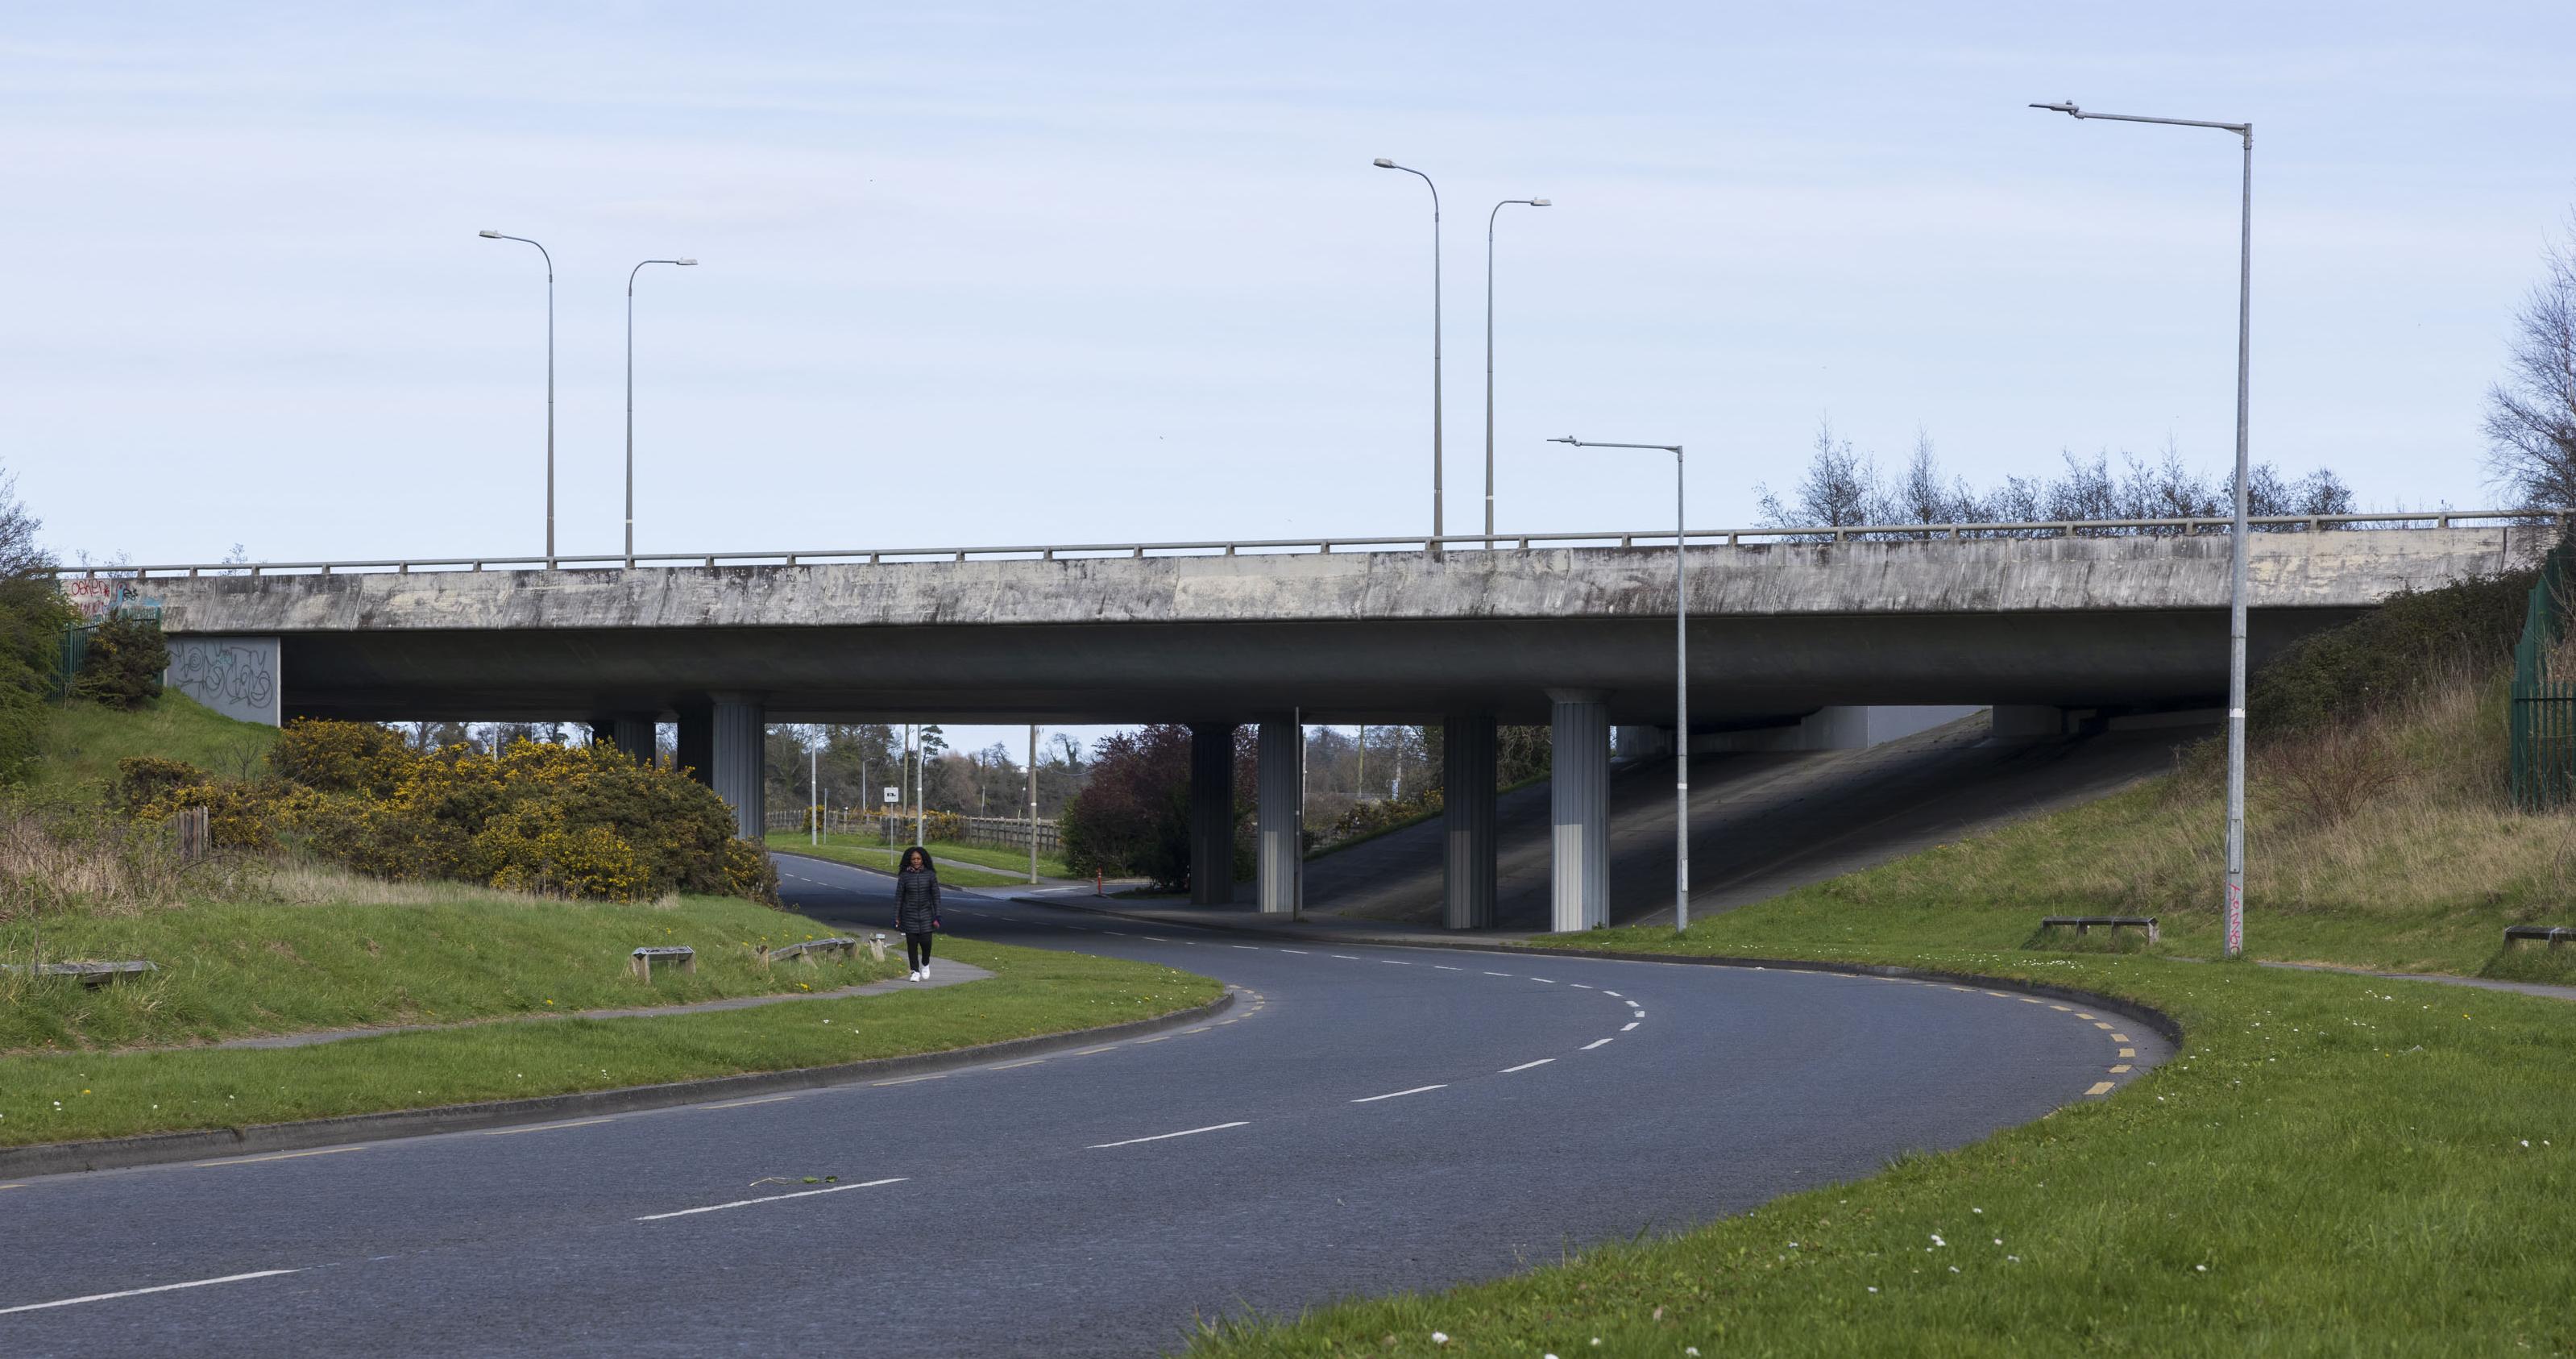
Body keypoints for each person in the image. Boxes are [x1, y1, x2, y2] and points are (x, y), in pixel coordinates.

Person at [894, 845, 941, 982]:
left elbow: (936, 896)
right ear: (909, 860)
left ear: (923, 860)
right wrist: (896, 916)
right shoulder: (904, 877)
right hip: (909, 915)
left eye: (918, 859)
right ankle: (915, 971)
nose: (916, 861)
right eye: (913, 859)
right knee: (912, 944)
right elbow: (899, 898)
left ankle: (925, 963)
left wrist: (937, 915)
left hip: (927, 914)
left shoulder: (930, 875)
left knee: (926, 942)